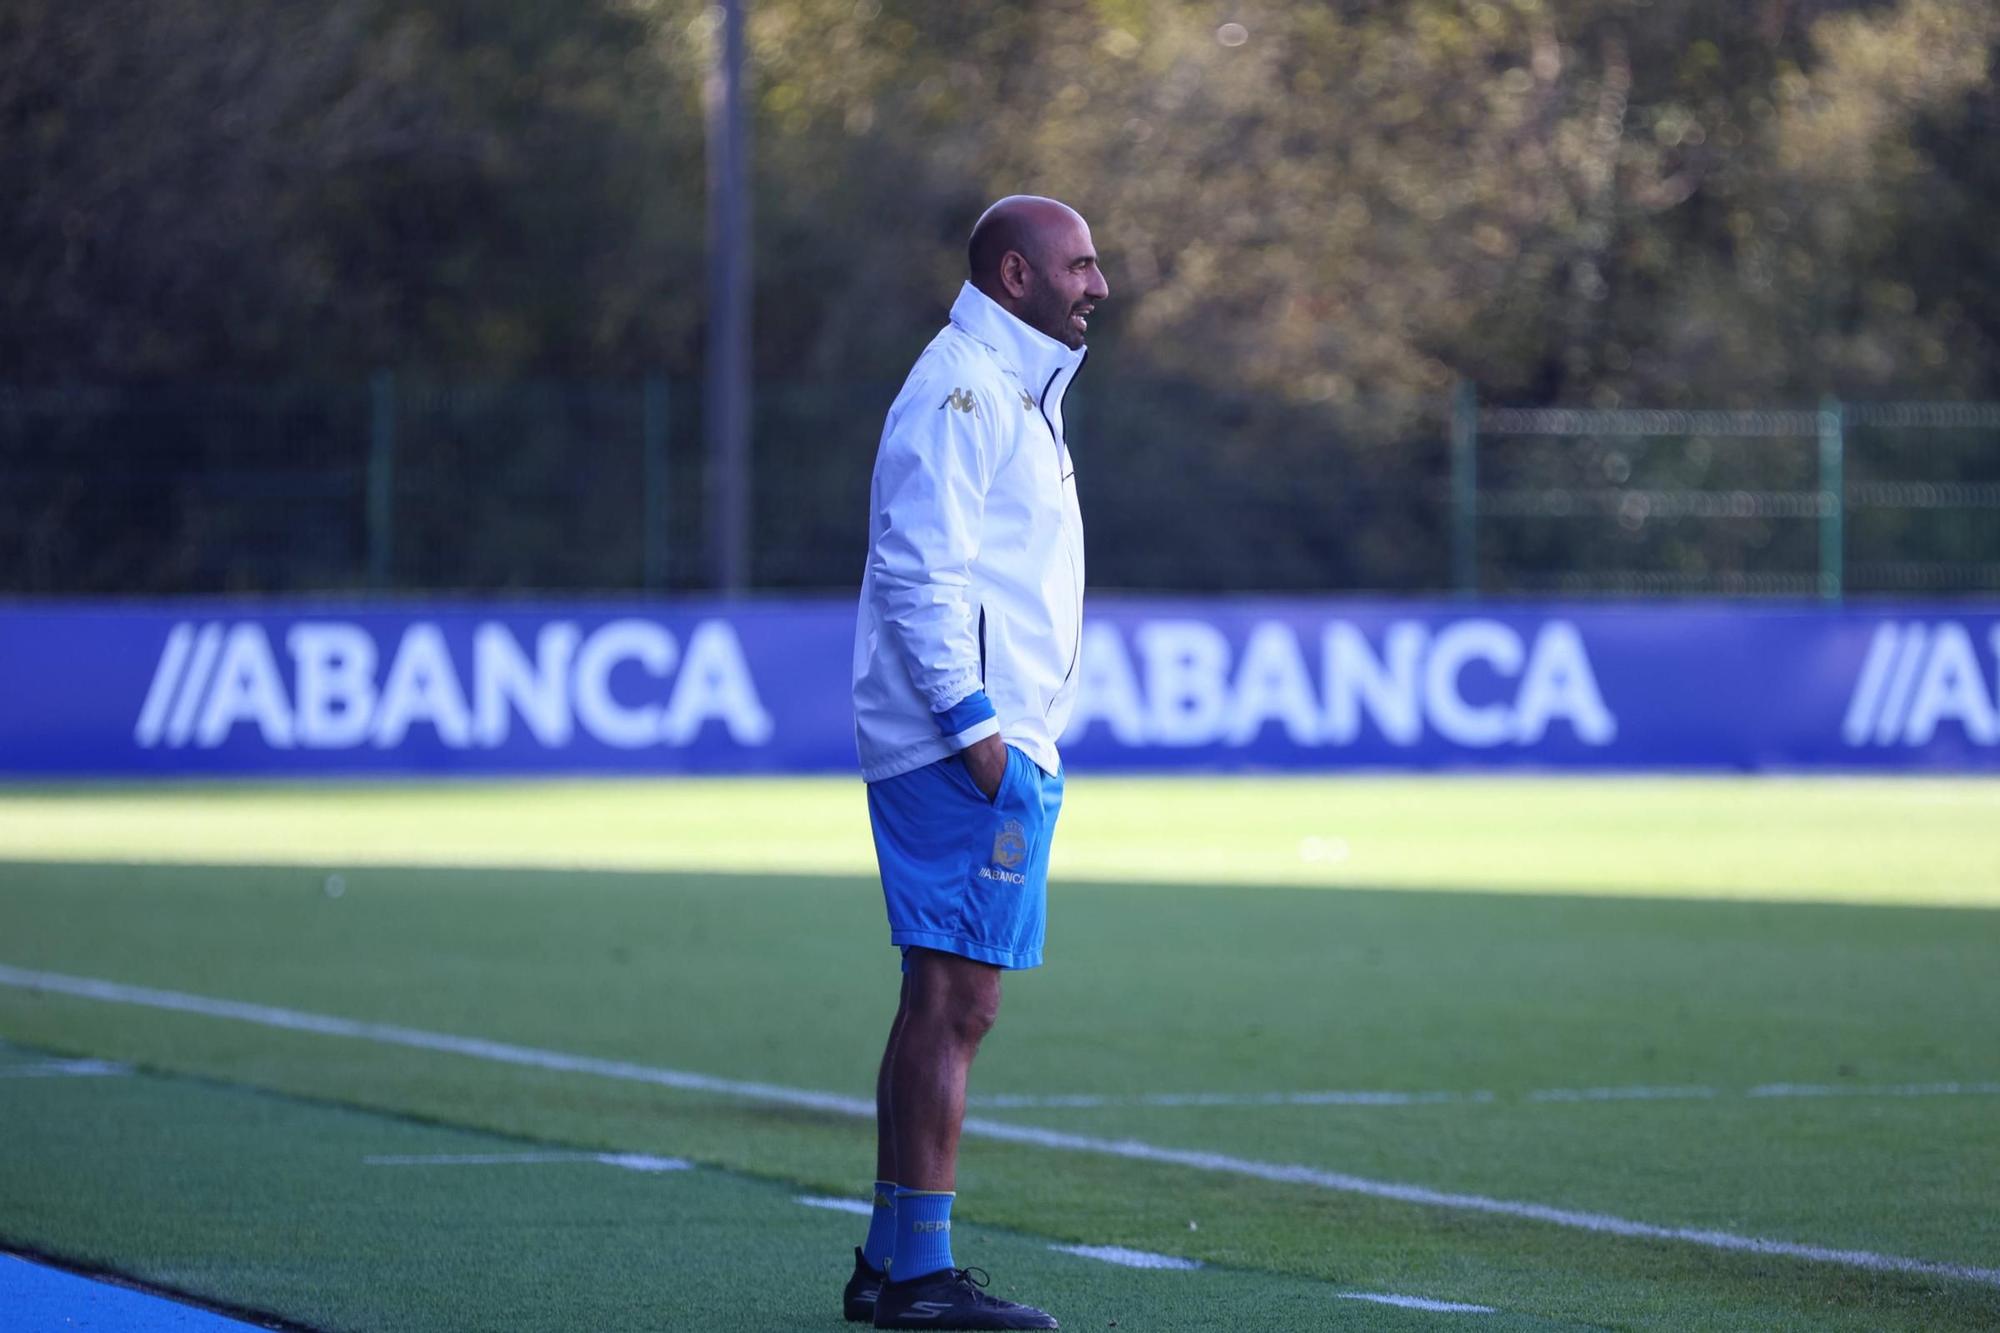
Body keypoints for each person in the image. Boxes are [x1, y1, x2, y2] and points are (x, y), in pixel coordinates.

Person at [845, 195, 1109, 1331]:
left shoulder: (1009, 388)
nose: (1097, 284)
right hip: (963, 745)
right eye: (1078, 265)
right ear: (1015, 275)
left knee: (940, 1004)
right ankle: (917, 1282)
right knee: (958, 1005)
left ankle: (888, 1260)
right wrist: (974, 723)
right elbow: (918, 565)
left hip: (986, 738)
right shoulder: (964, 388)